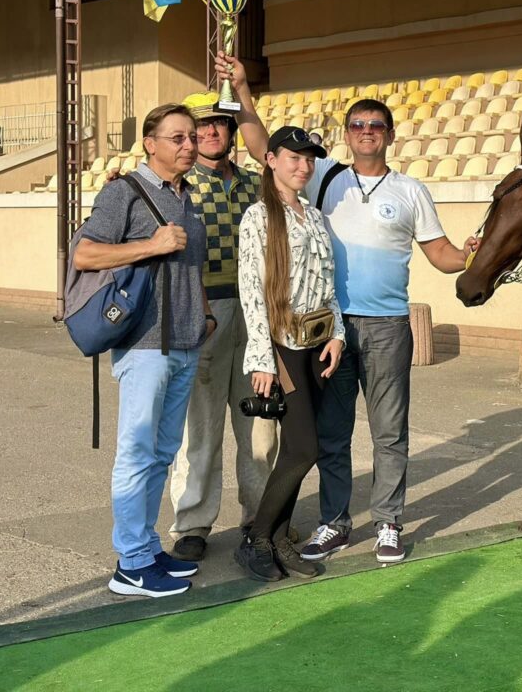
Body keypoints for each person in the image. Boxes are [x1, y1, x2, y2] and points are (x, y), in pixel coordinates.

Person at [218, 55, 477, 563]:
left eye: (375, 125)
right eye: (357, 124)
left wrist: (472, 254)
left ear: (389, 134)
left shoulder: (411, 191)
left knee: (388, 431)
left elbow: (442, 255)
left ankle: (387, 523)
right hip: (326, 333)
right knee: (331, 435)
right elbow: (261, 146)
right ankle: (334, 523)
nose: (365, 131)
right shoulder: (322, 179)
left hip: (385, 327)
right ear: (347, 133)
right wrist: (244, 90)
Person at [74, 104, 214, 597]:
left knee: (161, 453)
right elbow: (85, 254)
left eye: (192, 137)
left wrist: (202, 314)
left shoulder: (186, 196)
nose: (189, 145)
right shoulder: (123, 192)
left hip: (185, 343)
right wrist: (149, 246)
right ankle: (130, 564)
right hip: (143, 345)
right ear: (150, 144)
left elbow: (188, 268)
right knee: (136, 453)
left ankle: (147, 548)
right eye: (177, 137)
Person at [166, 91, 275, 563]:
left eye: (219, 124)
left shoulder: (256, 185)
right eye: (201, 126)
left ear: (232, 132)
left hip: (257, 313)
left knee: (260, 425)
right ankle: (192, 523)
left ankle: (261, 517)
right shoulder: (176, 187)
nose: (211, 132)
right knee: (201, 427)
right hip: (203, 313)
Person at [235, 125, 345, 581]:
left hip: (317, 346)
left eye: (309, 159)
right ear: (271, 160)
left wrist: (337, 333)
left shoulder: (315, 217)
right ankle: (257, 538)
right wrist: (261, 358)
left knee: (298, 450)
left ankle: (279, 538)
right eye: (294, 158)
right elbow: (251, 292)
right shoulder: (259, 217)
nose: (303, 166)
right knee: (303, 448)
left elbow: (328, 284)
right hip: (282, 345)